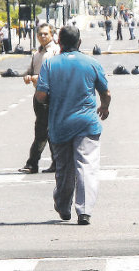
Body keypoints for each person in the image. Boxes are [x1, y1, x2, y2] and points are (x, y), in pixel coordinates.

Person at [35, 25, 111, 225]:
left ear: (59, 42)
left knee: (64, 169)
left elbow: (41, 95)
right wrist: (104, 107)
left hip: (60, 124)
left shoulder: (50, 64)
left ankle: (63, 206)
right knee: (87, 166)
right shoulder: (91, 63)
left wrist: (54, 99)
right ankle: (84, 210)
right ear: (79, 43)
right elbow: (106, 93)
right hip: (87, 124)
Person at [18, 23, 61, 174]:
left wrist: (39, 78)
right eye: (40, 34)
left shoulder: (56, 52)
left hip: (52, 95)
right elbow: (30, 70)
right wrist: (28, 76)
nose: (42, 36)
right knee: (45, 130)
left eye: (45, 34)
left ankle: (33, 163)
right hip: (39, 96)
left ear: (52, 35)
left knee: (44, 130)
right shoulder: (36, 54)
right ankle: (55, 162)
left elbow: (57, 74)